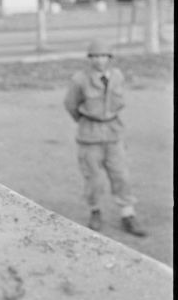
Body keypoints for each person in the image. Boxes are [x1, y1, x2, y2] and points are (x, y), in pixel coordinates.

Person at [63, 38, 147, 237]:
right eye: (95, 56)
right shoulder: (80, 79)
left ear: (110, 58)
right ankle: (95, 211)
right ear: (89, 59)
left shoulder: (117, 76)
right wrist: (84, 121)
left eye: (103, 56)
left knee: (121, 176)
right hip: (89, 135)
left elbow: (119, 102)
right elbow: (70, 105)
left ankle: (128, 214)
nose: (99, 61)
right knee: (93, 179)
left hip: (113, 133)